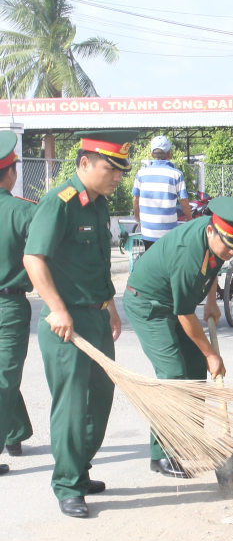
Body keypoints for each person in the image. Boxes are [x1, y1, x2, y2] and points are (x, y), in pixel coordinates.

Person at [23, 130, 137, 518]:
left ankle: (80, 468)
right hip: (64, 322)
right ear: (85, 163)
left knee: (100, 400)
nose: (118, 177)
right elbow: (34, 259)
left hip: (97, 315)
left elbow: (99, 263)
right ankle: (68, 485)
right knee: (71, 405)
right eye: (111, 168)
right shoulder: (61, 202)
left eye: (122, 170)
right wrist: (56, 309)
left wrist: (110, 305)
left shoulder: (99, 204)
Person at [123, 197, 233, 478]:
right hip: (148, 303)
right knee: (173, 374)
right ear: (211, 231)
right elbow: (185, 314)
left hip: (174, 301)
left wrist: (211, 301)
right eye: (227, 248)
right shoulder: (189, 252)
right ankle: (163, 454)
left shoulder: (215, 240)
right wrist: (212, 353)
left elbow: (212, 267)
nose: (229, 254)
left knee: (196, 368)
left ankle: (188, 438)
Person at [0, 132, 34, 473]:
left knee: (4, 374)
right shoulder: (23, 211)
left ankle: (14, 432)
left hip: (9, 306)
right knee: (5, 376)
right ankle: (8, 435)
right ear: (9, 172)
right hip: (9, 305)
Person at [132, 135, 192, 250]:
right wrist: (190, 220)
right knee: (168, 264)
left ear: (151, 154)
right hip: (168, 233)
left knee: (151, 263)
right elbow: (184, 202)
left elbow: (135, 200)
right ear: (169, 154)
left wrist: (137, 218)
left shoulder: (141, 174)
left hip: (148, 232)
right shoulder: (177, 175)